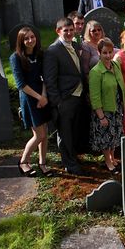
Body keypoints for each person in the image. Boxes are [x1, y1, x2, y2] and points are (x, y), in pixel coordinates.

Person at [43, 17, 84, 175]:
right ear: (58, 31)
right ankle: (69, 164)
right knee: (64, 132)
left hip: (78, 94)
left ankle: (73, 156)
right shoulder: (53, 51)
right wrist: (57, 102)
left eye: (71, 30)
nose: (68, 33)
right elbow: (50, 80)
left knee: (73, 130)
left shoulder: (74, 45)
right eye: (65, 30)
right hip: (64, 98)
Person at [11, 27, 52, 177]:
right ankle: (23, 161)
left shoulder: (39, 55)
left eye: (32, 37)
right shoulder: (16, 58)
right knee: (38, 135)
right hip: (29, 98)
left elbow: (44, 77)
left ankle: (42, 163)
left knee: (45, 133)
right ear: (21, 41)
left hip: (42, 95)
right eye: (26, 38)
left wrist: (44, 95)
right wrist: (38, 98)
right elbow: (20, 84)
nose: (30, 40)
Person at [88, 38, 125, 173]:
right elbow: (95, 97)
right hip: (104, 110)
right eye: (105, 53)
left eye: (110, 52)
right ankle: (108, 161)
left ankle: (113, 157)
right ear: (99, 53)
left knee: (115, 135)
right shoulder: (96, 72)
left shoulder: (115, 66)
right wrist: (101, 116)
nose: (108, 56)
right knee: (106, 137)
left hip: (116, 107)